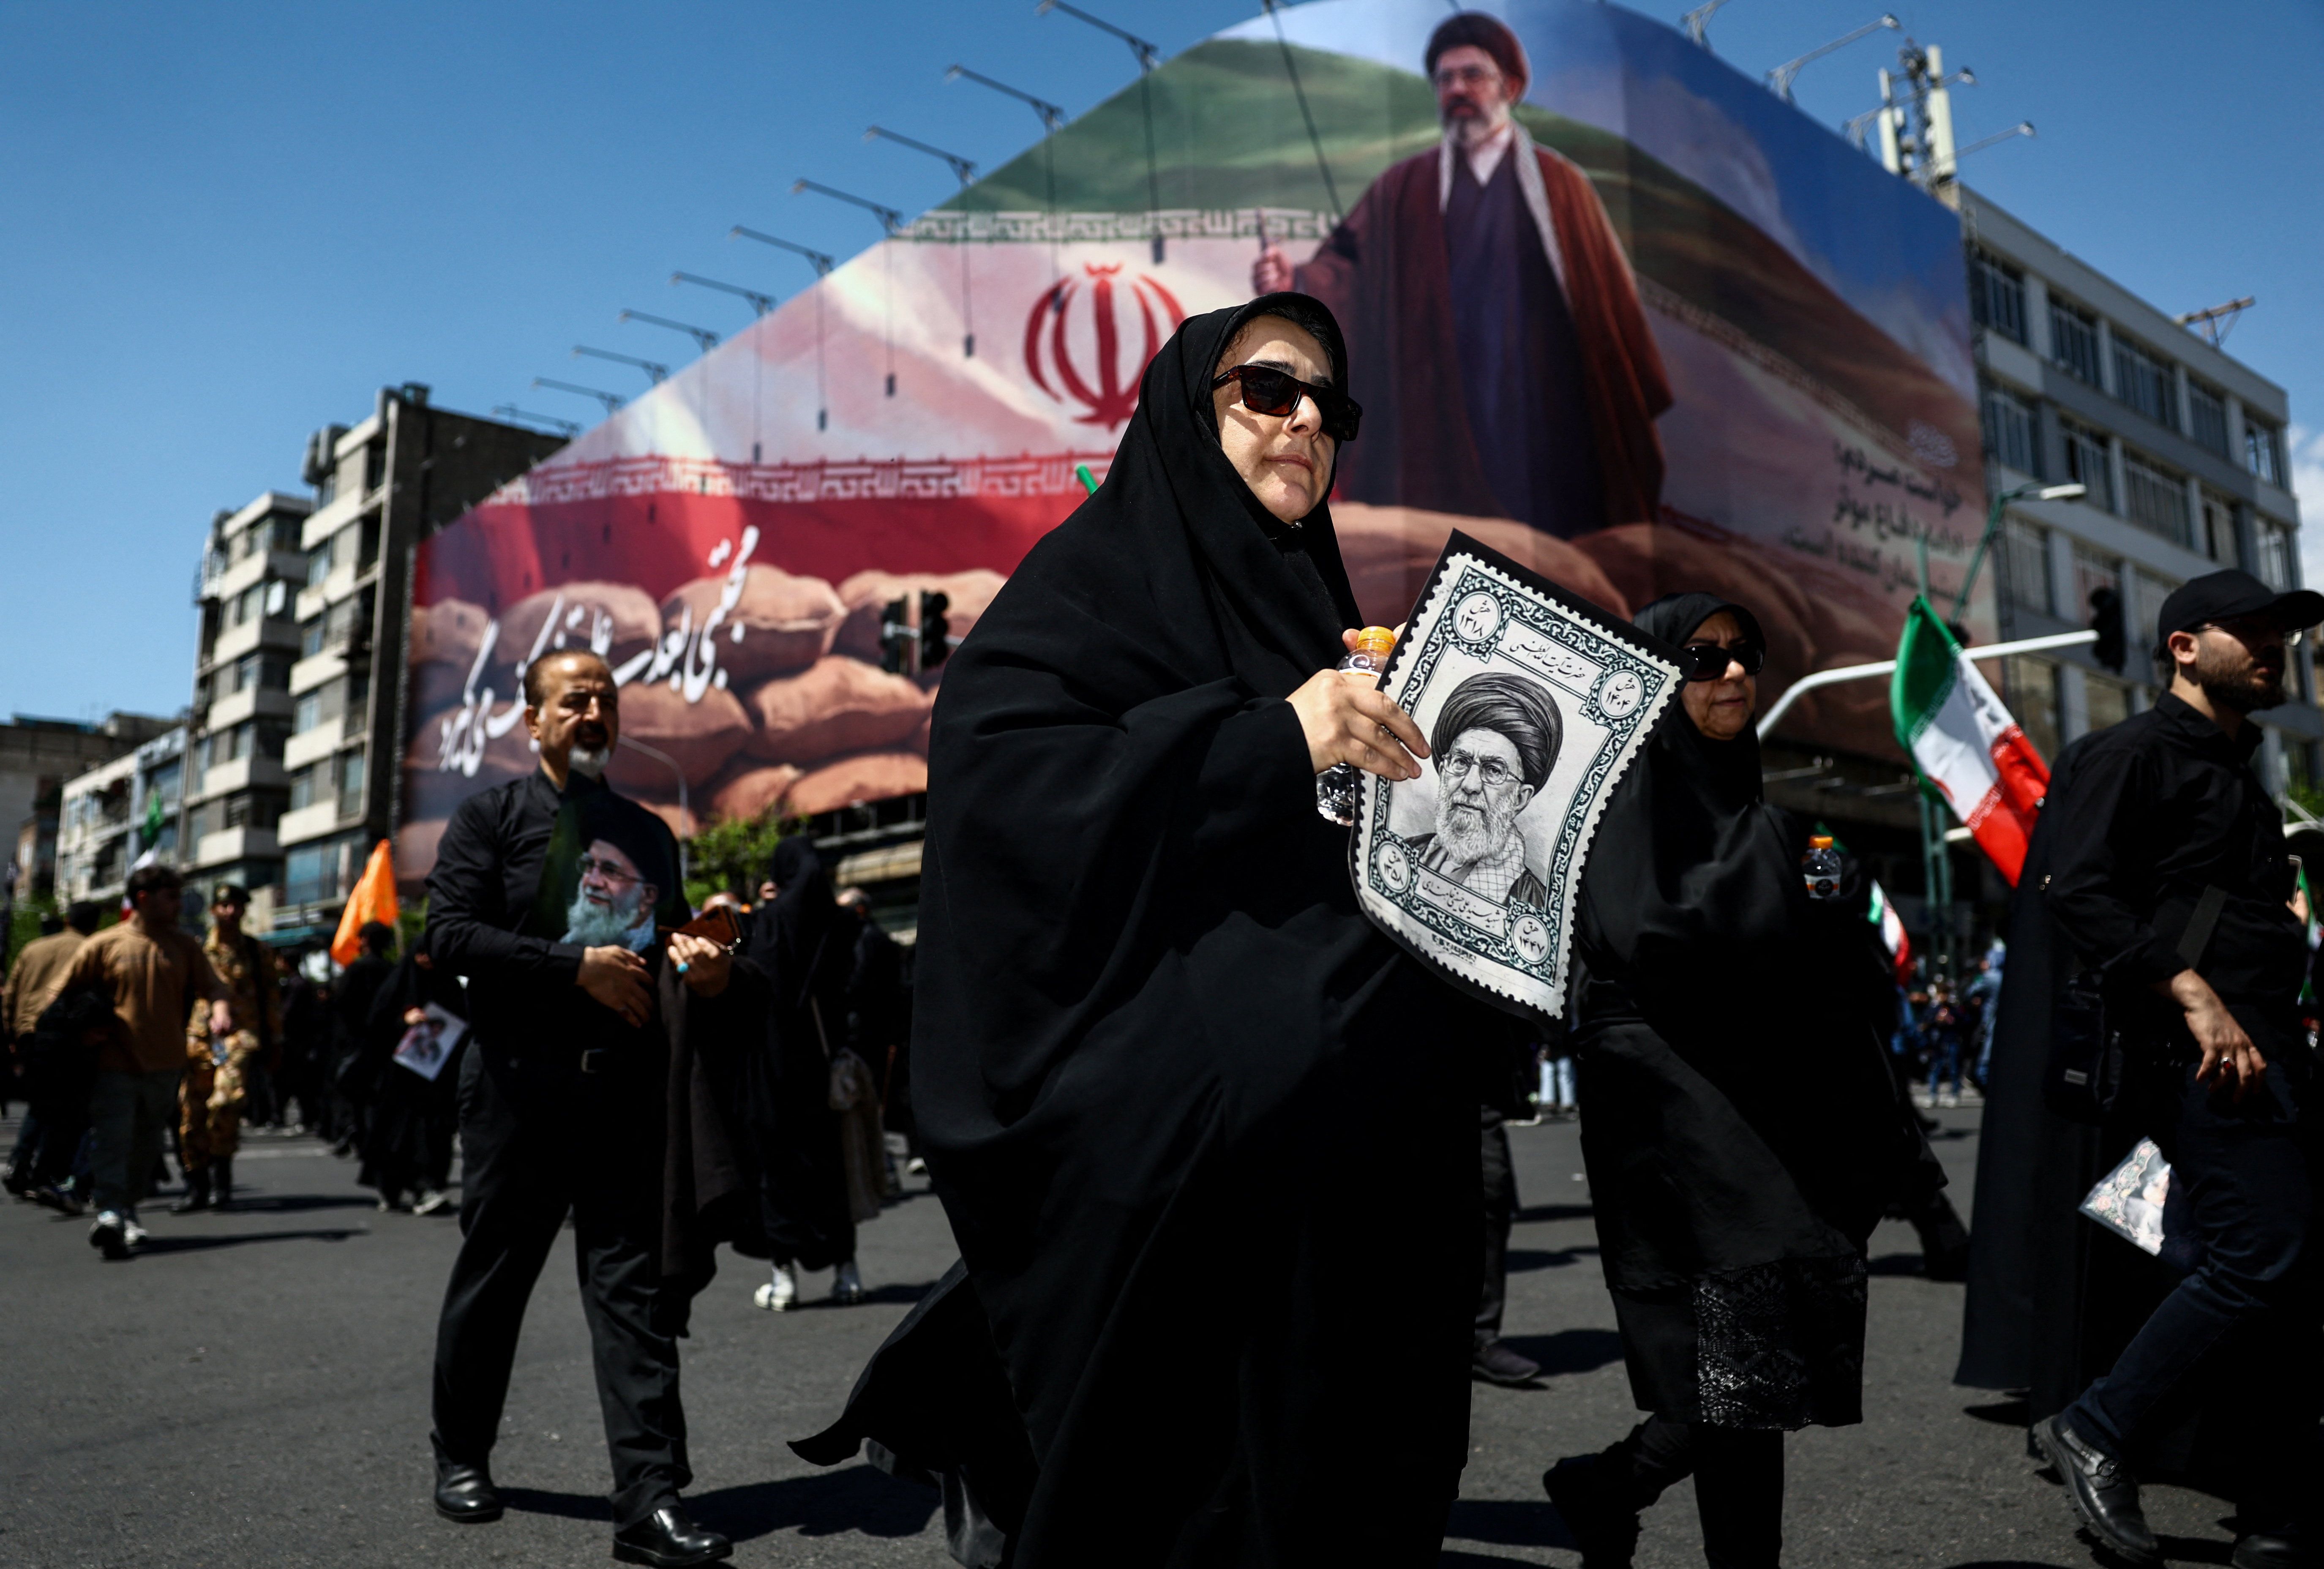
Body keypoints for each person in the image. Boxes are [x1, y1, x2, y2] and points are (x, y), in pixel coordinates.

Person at [799, 292, 1523, 1566]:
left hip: (1359, 1178)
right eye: (1268, 391)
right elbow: (1012, 791)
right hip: (1183, 1183)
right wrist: (1273, 736)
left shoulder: (1321, 614)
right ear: (1192, 411)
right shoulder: (1089, 587)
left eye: (1331, 406)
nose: (1306, 423)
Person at [1540, 594, 1933, 1569]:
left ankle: (1605, 1485)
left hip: (1764, 1116)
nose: (1729, 675)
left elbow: (1821, 918)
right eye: (1700, 656)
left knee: (1738, 1375)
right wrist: (1791, 864)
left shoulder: (1758, 805)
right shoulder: (1622, 790)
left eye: (1741, 655)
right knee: (1735, 1372)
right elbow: (1648, 927)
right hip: (1678, 1120)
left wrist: (1822, 873)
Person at [1960, 569, 2323, 1569]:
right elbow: (2074, 889)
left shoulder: (2238, 776)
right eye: (2247, 631)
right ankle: (2098, 1426)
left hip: (2268, 1055)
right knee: (2261, 1252)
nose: (2270, 647)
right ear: (2179, 645)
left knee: (2286, 1272)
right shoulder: (2130, 756)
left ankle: (2274, 1500)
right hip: (2196, 1057)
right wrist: (2193, 996)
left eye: (2279, 634)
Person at [423, 647, 736, 1569]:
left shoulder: (646, 829)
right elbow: (448, 935)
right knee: (496, 1277)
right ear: (533, 718)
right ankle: (461, 1452)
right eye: (573, 698)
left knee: (631, 1292)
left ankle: (651, 1498)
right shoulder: (489, 818)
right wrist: (573, 967)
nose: (593, 709)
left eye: (605, 696)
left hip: (618, 1090)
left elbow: (664, 931)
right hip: (518, 1081)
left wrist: (705, 958)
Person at [1252, 11, 1670, 537]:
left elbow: (1609, 311)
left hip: (1545, 405)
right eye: (1446, 79)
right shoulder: (1405, 186)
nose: (1456, 89)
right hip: (1440, 400)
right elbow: (1348, 268)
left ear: (1510, 86)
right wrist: (1296, 277)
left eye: (1472, 75)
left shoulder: (1563, 187)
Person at [55, 865, 232, 1258]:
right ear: (145, 897)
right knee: (113, 1139)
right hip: (115, 1064)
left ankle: (129, 1211)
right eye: (171, 896)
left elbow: (214, 986)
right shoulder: (104, 944)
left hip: (166, 1066)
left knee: (147, 1145)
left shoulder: (184, 946)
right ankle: (110, 1212)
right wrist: (81, 1029)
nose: (178, 904)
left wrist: (220, 1010)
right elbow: (63, 995)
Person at [739, 839, 867, 1312]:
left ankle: (783, 1276)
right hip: (824, 1064)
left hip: (773, 1069)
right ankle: (846, 1272)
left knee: (776, 1171)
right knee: (830, 1170)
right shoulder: (838, 923)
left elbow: (754, 987)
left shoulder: (770, 922)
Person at [1407, 671, 1560, 906]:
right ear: (1442, 771)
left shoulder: (1533, 906)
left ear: (1520, 798)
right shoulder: (1407, 851)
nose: (1470, 785)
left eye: (1493, 770)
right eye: (1461, 762)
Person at [174, 883, 281, 1213]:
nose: (230, 912)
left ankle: (222, 1180)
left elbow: (272, 998)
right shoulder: (195, 949)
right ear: (213, 910)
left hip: (239, 1036)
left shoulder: (255, 951)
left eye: (236, 906)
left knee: (227, 1100)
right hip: (198, 1039)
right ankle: (197, 1185)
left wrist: (276, 1041)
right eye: (224, 906)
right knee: (193, 1113)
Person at [355, 947, 466, 1215]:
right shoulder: (397, 986)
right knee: (397, 1136)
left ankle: (428, 1188)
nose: (427, 960)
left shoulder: (448, 985)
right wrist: (403, 1021)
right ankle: (392, 1188)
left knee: (435, 1135)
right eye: (422, 954)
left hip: (438, 1082)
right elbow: (375, 1025)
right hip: (399, 1084)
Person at [4, 902, 100, 1199]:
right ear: (95, 924)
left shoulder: (34, 948)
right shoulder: (93, 949)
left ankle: (21, 1162)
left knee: (40, 1103)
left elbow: (10, 993)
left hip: (30, 1033)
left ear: (67, 919)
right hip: (69, 1037)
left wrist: (12, 1033)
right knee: (73, 1107)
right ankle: (54, 1171)